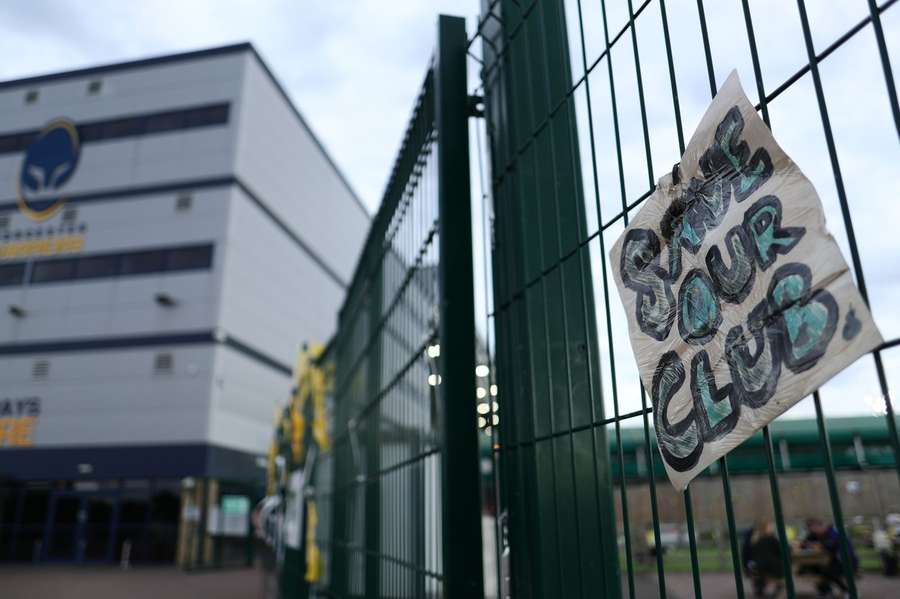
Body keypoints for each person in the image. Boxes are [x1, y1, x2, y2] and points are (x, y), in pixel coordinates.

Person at [800, 518, 858, 598]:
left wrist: (817, 545)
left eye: (814, 527)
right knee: (813, 569)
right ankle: (825, 591)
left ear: (821, 525)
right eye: (810, 528)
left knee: (829, 572)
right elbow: (804, 543)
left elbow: (831, 545)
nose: (813, 530)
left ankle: (848, 591)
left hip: (846, 562)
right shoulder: (815, 534)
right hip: (831, 561)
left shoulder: (833, 532)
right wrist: (808, 544)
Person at [742, 521, 783, 598]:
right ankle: (777, 587)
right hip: (772, 566)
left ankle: (759, 589)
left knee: (755, 570)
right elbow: (779, 551)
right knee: (779, 568)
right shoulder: (772, 538)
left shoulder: (753, 539)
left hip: (757, 565)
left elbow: (748, 553)